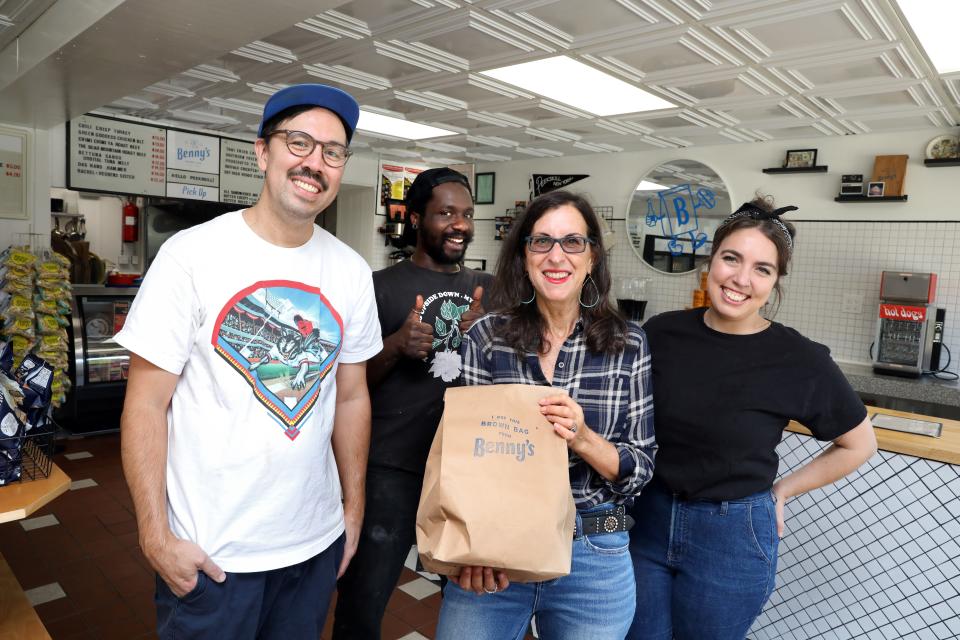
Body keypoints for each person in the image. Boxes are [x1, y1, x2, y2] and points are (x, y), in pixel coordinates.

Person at [116, 83, 383, 639]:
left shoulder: (351, 271)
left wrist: (352, 511)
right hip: (215, 555)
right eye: (300, 143)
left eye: (333, 152)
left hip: (312, 547)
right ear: (263, 151)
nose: (316, 163)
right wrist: (154, 535)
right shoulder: (190, 255)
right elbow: (145, 404)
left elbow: (352, 396)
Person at [626, 198, 878, 640]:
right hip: (647, 520)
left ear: (776, 281)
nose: (741, 278)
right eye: (731, 259)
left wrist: (784, 490)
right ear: (711, 261)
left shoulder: (798, 358)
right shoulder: (663, 332)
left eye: (762, 268)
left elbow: (860, 444)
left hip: (732, 537)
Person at [435, 190, 657, 640]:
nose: (557, 256)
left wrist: (582, 437)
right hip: (495, 551)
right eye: (542, 242)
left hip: (594, 550)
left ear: (592, 257)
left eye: (573, 242)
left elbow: (640, 471)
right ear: (524, 256)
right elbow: (464, 463)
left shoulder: (628, 343)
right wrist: (473, 547)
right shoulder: (486, 337)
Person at [332, 167, 492, 639]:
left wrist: (486, 334)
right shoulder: (377, 286)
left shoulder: (491, 289)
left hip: (463, 469)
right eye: (445, 213)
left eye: (466, 214)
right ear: (417, 218)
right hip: (390, 468)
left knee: (471, 600)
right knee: (365, 599)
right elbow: (348, 383)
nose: (459, 224)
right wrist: (397, 344)